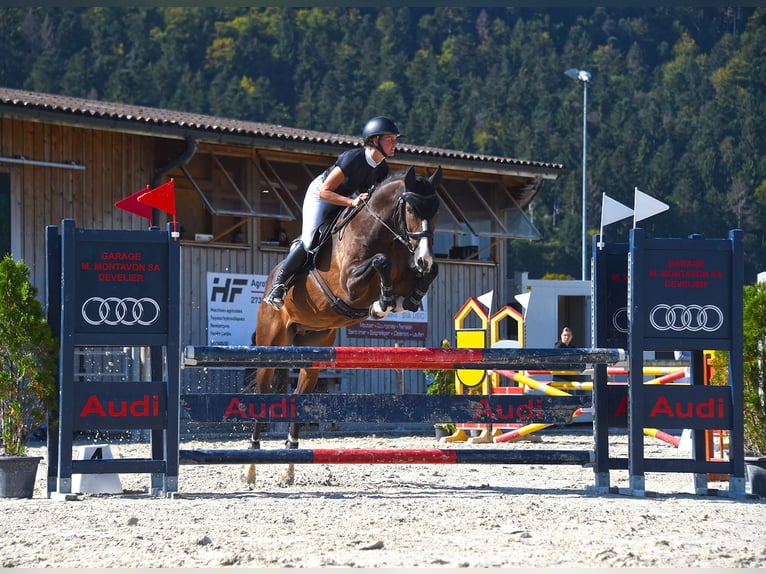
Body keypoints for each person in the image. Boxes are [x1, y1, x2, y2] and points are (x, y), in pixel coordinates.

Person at [263, 116, 402, 311]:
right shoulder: (353, 158)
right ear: (374, 140)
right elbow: (325, 192)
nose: (395, 143)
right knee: (310, 240)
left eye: (396, 139)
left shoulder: (382, 168)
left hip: (348, 197)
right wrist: (352, 202)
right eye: (390, 139)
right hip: (321, 195)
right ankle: (278, 286)